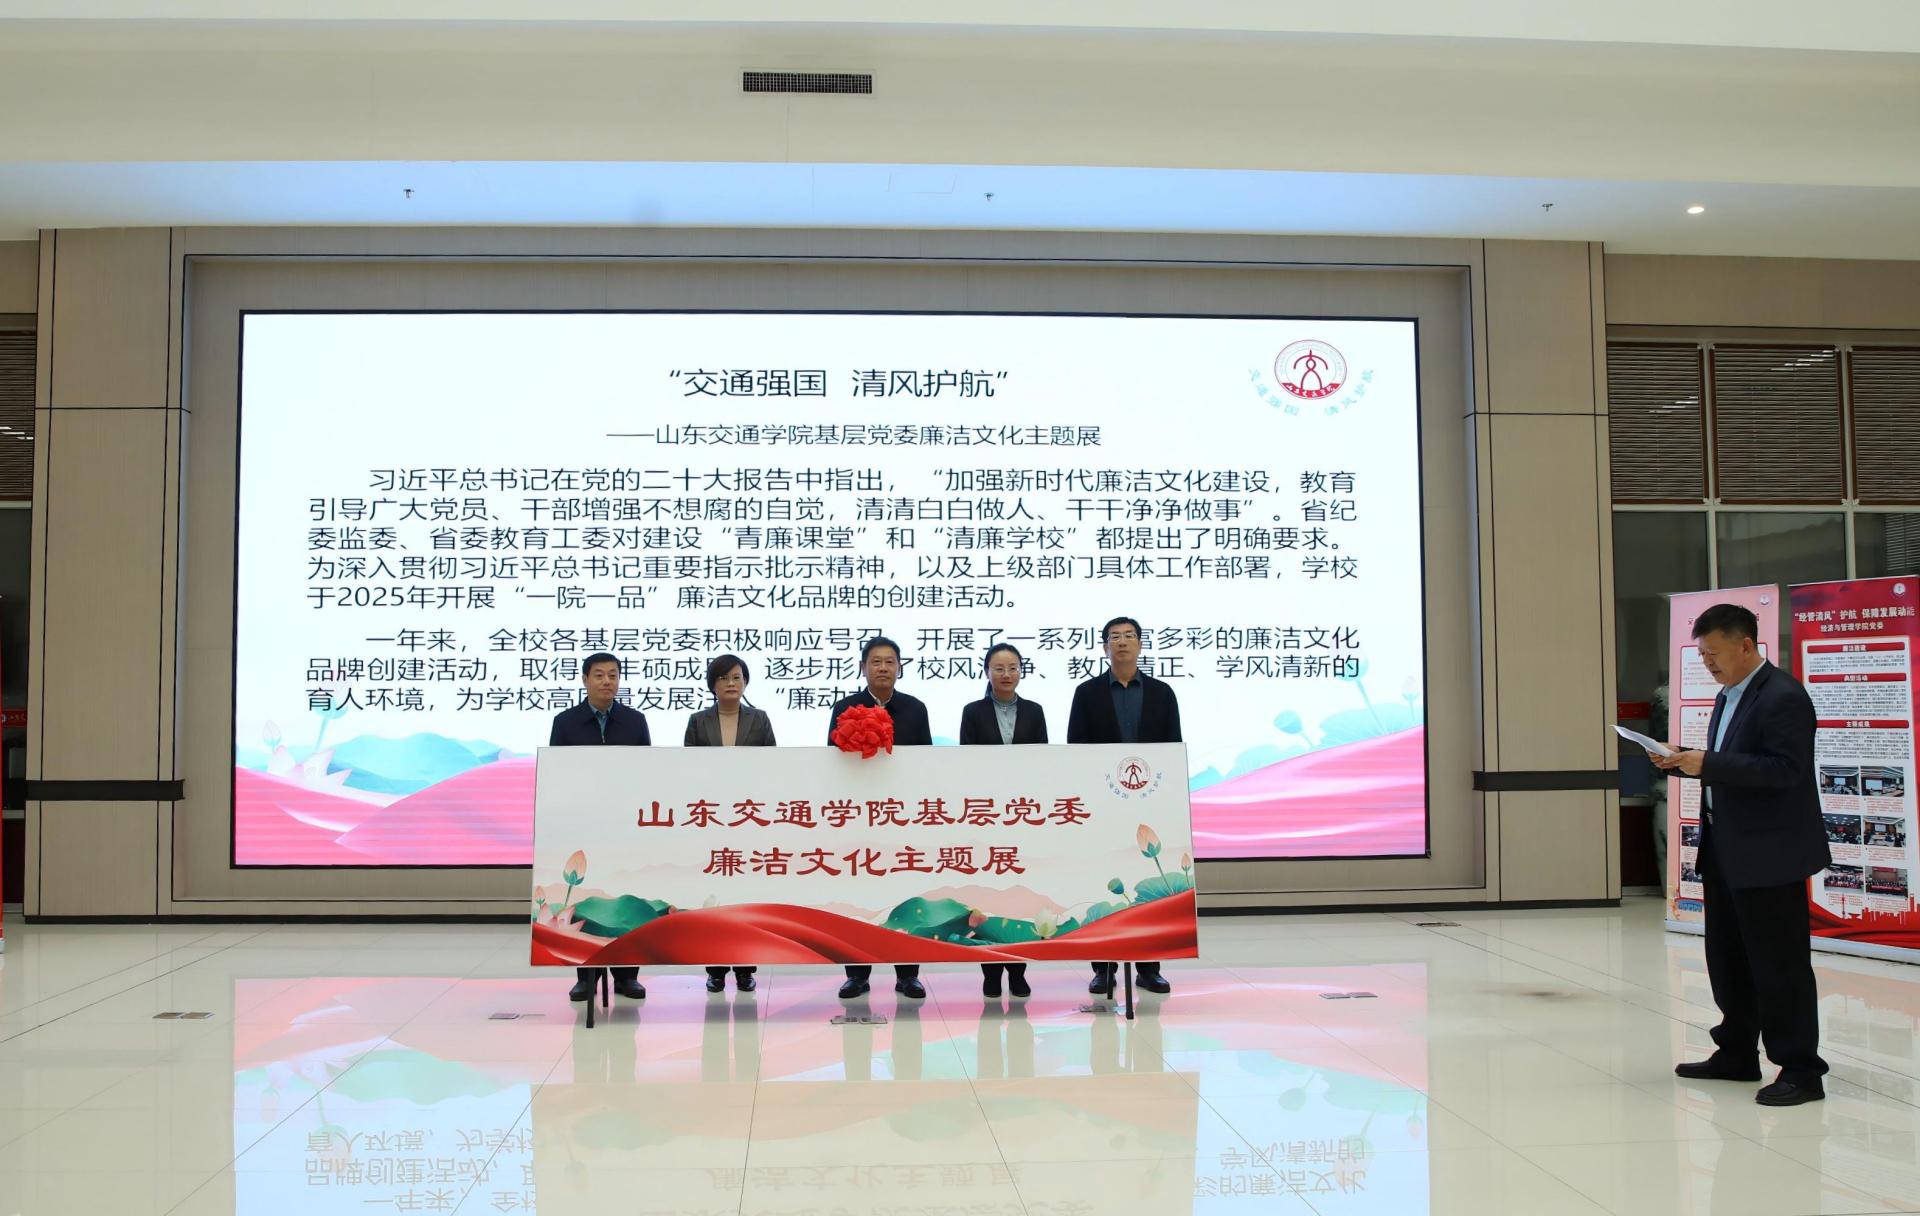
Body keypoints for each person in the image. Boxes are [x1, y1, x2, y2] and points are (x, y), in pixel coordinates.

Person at [1651, 604, 1831, 1106]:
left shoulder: (1783, 696)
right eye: (1701, 654)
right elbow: (1733, 763)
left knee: (1779, 964)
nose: (1707, 662)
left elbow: (1785, 770)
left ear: (1745, 645)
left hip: (1770, 853)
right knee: (1728, 958)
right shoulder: (1730, 694)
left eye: (1713, 653)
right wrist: (1680, 760)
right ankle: (1736, 1052)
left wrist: (1708, 763)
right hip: (1726, 847)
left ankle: (1801, 1070)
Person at [1067, 616, 1179, 997]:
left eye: (1129, 636)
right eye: (1115, 637)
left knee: (1151, 885)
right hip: (1103, 805)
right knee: (1104, 882)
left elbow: (1172, 746)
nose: (1122, 642)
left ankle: (1149, 967)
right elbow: (1077, 748)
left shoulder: (1162, 693)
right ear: (1105, 647)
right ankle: (1103, 967)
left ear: (1140, 645)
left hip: (1150, 804)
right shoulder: (1087, 693)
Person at [827, 634, 933, 1000]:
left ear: (899, 668)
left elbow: (927, 762)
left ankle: (908, 974)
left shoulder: (916, 708)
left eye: (890, 662)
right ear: (863, 667)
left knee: (906, 893)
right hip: (857, 816)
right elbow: (831, 762)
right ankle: (857, 974)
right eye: (876, 661)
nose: (883, 668)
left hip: (903, 816)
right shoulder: (845, 707)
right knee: (858, 896)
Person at [549, 651, 652, 1005]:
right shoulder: (565, 722)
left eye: (613, 675)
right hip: (583, 823)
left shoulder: (635, 721)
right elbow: (559, 775)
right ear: (585, 680)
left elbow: (647, 771)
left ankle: (627, 975)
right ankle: (586, 975)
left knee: (625, 896)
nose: (607, 681)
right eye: (599, 675)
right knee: (584, 898)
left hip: (625, 824)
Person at [959, 642, 1048, 1000]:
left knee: (1019, 894)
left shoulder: (1035, 711)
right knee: (987, 895)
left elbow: (1042, 760)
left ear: (1021, 671)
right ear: (987, 672)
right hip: (985, 814)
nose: (1006, 674)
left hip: (1024, 814)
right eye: (999, 668)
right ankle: (991, 970)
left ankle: (1019, 969)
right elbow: (966, 762)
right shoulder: (972, 711)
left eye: (1012, 668)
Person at [685, 653, 776, 994]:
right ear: (713, 685)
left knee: (746, 895)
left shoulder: (760, 719)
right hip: (710, 817)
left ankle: (745, 969)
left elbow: (774, 764)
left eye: (737, 677)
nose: (731, 683)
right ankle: (716, 969)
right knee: (714, 896)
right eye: (723, 678)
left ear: (745, 682)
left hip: (748, 817)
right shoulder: (698, 721)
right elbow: (687, 768)